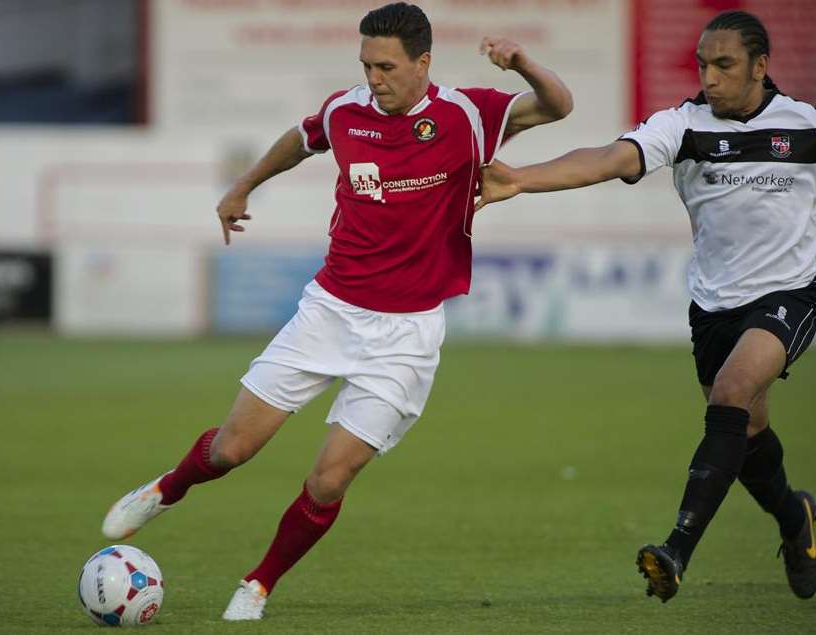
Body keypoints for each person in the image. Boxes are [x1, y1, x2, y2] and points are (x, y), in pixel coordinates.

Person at [101, 2, 573, 621]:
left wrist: (523, 63)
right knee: (233, 449)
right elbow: (299, 142)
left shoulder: (470, 114)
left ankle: (259, 584)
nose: (374, 77)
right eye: (366, 64)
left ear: (422, 63)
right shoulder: (345, 111)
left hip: (406, 335)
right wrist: (243, 185)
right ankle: (167, 488)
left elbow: (559, 105)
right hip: (329, 311)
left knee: (328, 482)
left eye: (386, 66)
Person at [477, 10, 816, 603]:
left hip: (789, 293)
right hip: (715, 307)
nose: (711, 78)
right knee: (747, 435)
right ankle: (796, 519)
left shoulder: (810, 126)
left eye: (725, 65)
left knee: (732, 395)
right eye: (703, 65)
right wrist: (521, 178)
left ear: (761, 66)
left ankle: (676, 549)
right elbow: (610, 158)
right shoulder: (683, 125)